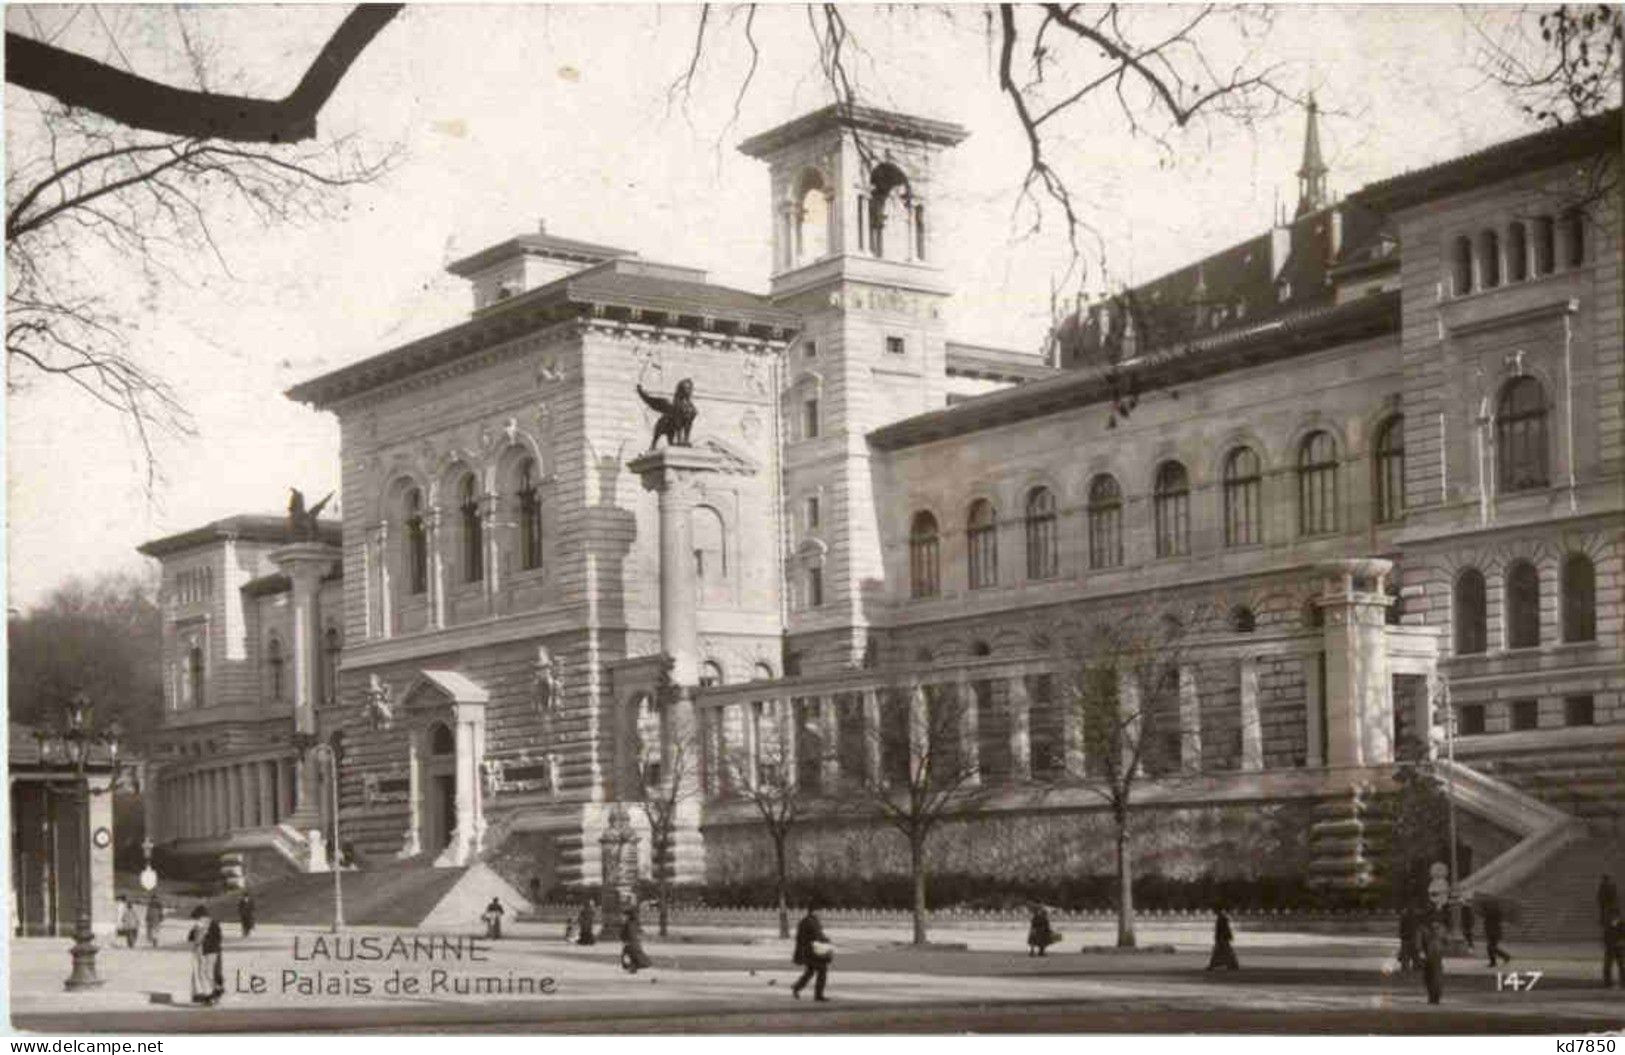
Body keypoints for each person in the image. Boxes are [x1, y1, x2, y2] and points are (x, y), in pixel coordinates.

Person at [791, 899, 833, 1001]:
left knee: (810, 972)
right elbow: (817, 936)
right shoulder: (812, 922)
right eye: (820, 911)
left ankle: (797, 987)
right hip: (812, 951)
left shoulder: (806, 921)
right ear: (814, 911)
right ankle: (818, 995)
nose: (821, 913)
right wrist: (827, 940)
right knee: (822, 970)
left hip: (806, 951)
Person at [187, 905, 224, 1006]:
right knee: (202, 973)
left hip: (211, 952)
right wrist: (196, 932)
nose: (198, 920)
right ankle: (210, 993)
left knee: (207, 972)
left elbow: (218, 938)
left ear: (204, 916)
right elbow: (190, 937)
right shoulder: (199, 925)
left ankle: (213, 993)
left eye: (198, 917)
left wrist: (205, 938)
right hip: (202, 952)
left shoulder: (213, 924)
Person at [1419, 909, 1445, 1005]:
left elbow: (1419, 942)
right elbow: (1446, 941)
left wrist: (1421, 952)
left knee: (1429, 976)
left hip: (1429, 955)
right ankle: (1435, 996)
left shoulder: (1423, 928)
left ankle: (1433, 996)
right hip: (1437, 954)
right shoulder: (1441, 928)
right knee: (1435, 976)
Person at [619, 905, 652, 973]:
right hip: (635, 944)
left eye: (624, 915)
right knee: (631, 955)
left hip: (630, 944)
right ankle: (633, 966)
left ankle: (633, 966)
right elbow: (638, 931)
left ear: (628, 915)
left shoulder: (628, 923)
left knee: (627, 955)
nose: (622, 917)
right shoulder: (634, 922)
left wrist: (624, 939)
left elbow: (624, 934)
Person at [1206, 906, 1239, 970]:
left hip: (1222, 938)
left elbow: (1222, 929)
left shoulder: (1221, 919)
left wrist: (1218, 937)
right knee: (1226, 952)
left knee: (1220, 953)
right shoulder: (1223, 918)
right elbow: (1226, 929)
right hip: (1223, 938)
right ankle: (1232, 965)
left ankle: (1213, 965)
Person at [1482, 898, 1511, 967]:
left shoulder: (1492, 912)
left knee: (1491, 947)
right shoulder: (1495, 912)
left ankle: (1504, 957)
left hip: (1493, 932)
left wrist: (1485, 909)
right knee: (1491, 947)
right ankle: (1495, 961)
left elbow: (1489, 915)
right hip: (1493, 932)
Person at [1604, 911, 1624, 989]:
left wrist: (1621, 943)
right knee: (1607, 966)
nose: (1613, 918)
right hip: (1610, 948)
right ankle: (1608, 983)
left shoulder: (1622, 925)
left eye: (1614, 916)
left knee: (1622, 966)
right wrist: (1607, 944)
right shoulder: (1608, 926)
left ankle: (1623, 982)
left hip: (1619, 948)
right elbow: (1606, 936)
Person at [1397, 905, 1419, 972]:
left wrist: (1401, 934)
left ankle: (1406, 967)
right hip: (1409, 937)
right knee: (1411, 954)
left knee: (1407, 954)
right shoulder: (1412, 917)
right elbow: (1401, 928)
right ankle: (1410, 967)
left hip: (1407, 937)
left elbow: (1401, 928)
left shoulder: (1405, 917)